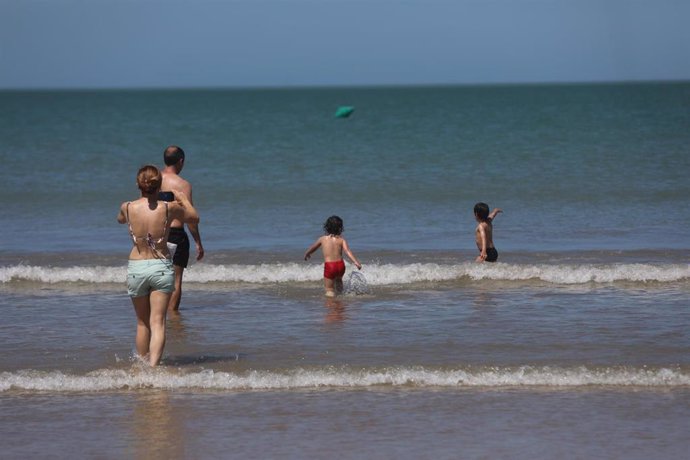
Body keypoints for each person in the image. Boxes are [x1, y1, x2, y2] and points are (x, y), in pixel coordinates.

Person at [117, 165, 199, 366]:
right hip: (160, 266)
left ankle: (143, 364)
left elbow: (120, 220)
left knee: (142, 322)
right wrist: (182, 198)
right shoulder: (168, 208)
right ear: (159, 185)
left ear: (138, 184)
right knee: (158, 322)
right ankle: (153, 367)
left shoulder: (127, 207)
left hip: (137, 267)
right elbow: (194, 217)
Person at [160, 145, 205, 312]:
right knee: (176, 280)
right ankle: (173, 317)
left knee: (158, 277)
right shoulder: (183, 184)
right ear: (181, 161)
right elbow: (191, 218)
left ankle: (158, 313)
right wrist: (198, 242)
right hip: (175, 235)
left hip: (156, 234)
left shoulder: (152, 179)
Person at [304, 215, 362, 297]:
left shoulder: (322, 239)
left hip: (330, 266)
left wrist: (307, 253)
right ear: (340, 228)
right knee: (339, 282)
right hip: (341, 266)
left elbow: (313, 248)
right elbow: (347, 251)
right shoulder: (341, 240)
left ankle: (332, 306)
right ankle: (340, 299)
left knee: (329, 289)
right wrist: (356, 262)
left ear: (327, 227)